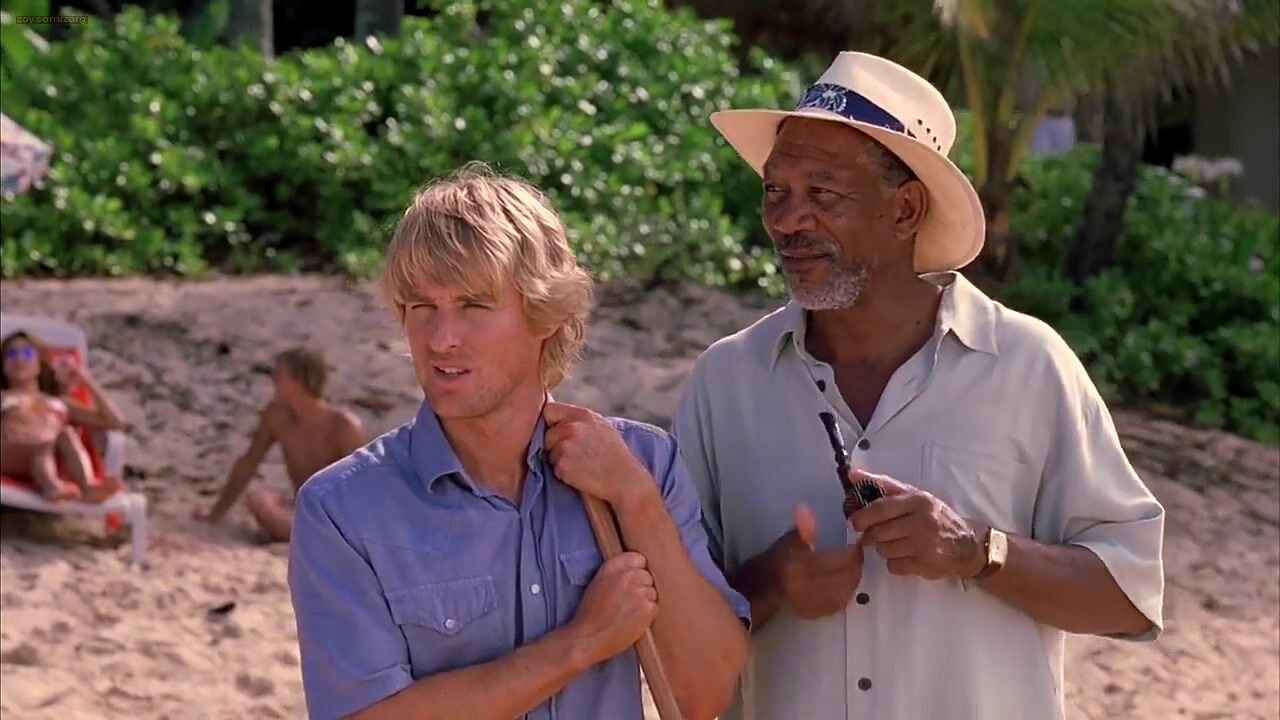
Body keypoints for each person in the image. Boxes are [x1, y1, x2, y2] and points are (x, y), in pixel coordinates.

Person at [673, 52, 1165, 720]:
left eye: (823, 194)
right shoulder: (726, 381)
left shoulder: (1028, 366)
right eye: (775, 192)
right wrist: (768, 584)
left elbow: (1128, 597)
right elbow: (669, 631)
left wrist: (978, 552)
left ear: (905, 209)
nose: (787, 221)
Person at [287, 164, 750, 720]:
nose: (441, 338)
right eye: (421, 307)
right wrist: (580, 643)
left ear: (545, 313)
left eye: (473, 306)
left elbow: (708, 694)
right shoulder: (342, 510)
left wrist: (637, 502)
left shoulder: (644, 465)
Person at [195, 346, 364, 542]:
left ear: (300, 380)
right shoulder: (276, 416)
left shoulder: (343, 425)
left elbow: (365, 487)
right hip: (303, 511)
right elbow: (249, 463)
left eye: (279, 375)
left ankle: (316, 539)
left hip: (339, 517)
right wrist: (215, 515)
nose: (273, 380)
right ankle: (309, 538)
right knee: (259, 499)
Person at [1, 330, 127, 502]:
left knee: (65, 433)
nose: (19, 358)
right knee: (43, 444)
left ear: (40, 363)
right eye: (11, 354)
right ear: (3, 365)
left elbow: (115, 421)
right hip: (6, 453)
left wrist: (85, 380)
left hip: (44, 454)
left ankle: (88, 486)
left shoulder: (60, 403)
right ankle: (51, 487)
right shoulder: (4, 397)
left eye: (27, 353)